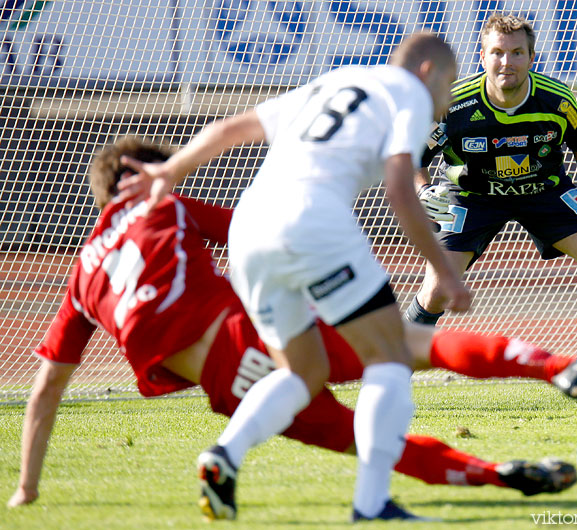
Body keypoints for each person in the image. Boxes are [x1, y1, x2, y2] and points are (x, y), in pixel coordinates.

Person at [8, 138, 577, 514]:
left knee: (365, 443)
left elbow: (45, 391)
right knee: (408, 344)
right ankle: (560, 367)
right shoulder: (166, 203)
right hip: (251, 336)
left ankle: (497, 475)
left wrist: (26, 491)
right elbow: (261, 233)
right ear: (153, 178)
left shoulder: (82, 276)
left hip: (229, 388)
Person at [118, 32, 474, 522]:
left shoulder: (340, 80)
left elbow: (230, 128)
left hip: (249, 226)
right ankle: (372, 505)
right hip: (312, 219)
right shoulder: (408, 92)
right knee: (390, 355)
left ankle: (224, 455)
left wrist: (172, 170)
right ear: (428, 71)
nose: (449, 98)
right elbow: (399, 186)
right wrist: (443, 270)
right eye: (450, 83)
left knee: (302, 371)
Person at [405, 13, 577, 416]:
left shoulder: (557, 99)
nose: (507, 62)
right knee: (436, 291)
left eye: (517, 52)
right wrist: (422, 190)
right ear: (481, 57)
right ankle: (393, 377)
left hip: (545, 191)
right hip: (472, 197)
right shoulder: (453, 103)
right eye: (497, 52)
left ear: (532, 57)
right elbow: (413, 155)